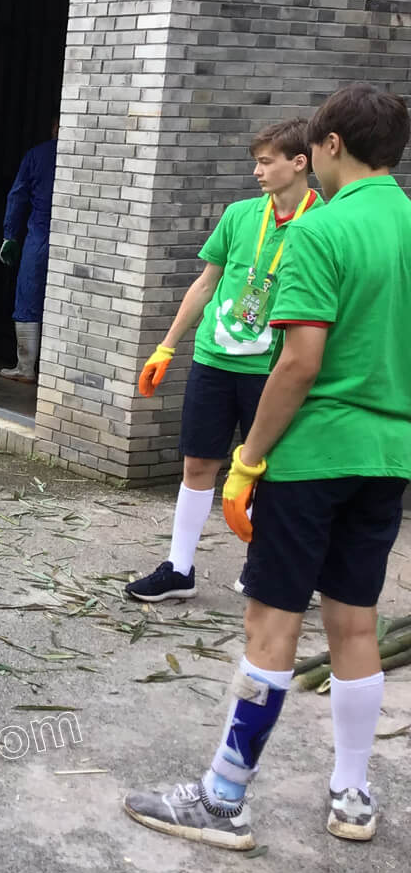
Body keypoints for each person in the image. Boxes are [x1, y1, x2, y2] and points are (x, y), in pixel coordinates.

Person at [124, 84, 411, 850]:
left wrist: (249, 462)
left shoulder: (324, 231)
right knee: (355, 622)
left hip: (313, 454)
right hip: (387, 456)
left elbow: (299, 363)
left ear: (331, 147)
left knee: (270, 622)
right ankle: (352, 796)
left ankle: (223, 798)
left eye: (311, 148)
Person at [126, 118, 319, 602]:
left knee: (271, 473)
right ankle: (180, 567)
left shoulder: (322, 224)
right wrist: (167, 346)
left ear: (299, 163)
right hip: (214, 360)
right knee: (198, 464)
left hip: (272, 370)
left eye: (265, 161)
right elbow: (206, 283)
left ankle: (262, 568)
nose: (256, 171)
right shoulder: (238, 215)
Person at [0, 119, 59, 382]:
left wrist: (9, 236)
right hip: (70, 239)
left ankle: (25, 368)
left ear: (54, 127)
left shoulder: (37, 155)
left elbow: (18, 196)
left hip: (40, 237)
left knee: (29, 298)